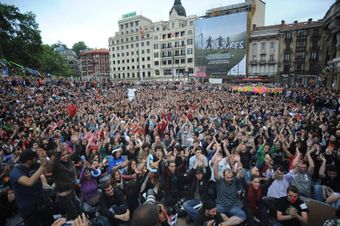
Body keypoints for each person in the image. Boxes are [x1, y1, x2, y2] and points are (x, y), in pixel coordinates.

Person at [9, 149, 52, 226]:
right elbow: (29, 182)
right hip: (28, 206)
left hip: (41, 200)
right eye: (34, 159)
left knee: (48, 222)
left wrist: (44, 158)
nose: (35, 160)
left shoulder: (33, 165)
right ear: (29, 160)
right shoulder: (15, 172)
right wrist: (42, 166)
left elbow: (45, 171)